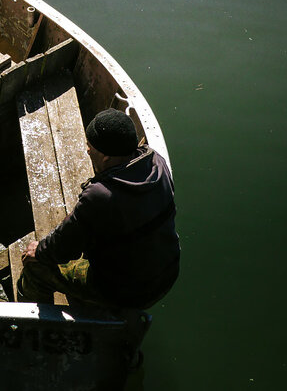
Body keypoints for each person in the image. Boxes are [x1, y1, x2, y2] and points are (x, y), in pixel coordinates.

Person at [17, 108, 179, 310]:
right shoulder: (157, 164)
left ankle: (32, 323)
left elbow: (61, 248)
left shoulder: (100, 196)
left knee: (34, 267)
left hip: (129, 293)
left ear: (104, 157)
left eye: (89, 146)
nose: (87, 150)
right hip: (167, 274)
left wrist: (39, 250)